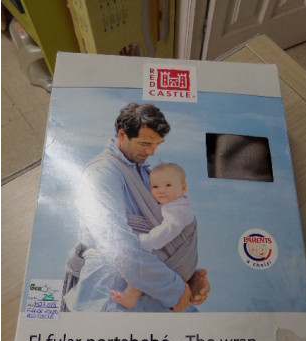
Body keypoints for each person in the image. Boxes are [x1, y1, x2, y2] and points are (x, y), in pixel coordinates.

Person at [63, 103, 210, 312]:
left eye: (157, 144)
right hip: (111, 292)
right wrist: (174, 289)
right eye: (145, 143)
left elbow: (167, 232)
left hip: (155, 290)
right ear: (122, 135)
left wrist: (186, 276)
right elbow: (115, 242)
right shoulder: (102, 173)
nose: (151, 151)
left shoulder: (148, 174)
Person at [111, 163, 195, 309]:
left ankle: (131, 295)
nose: (161, 190)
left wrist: (146, 242)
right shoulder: (173, 204)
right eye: (155, 187)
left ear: (183, 188)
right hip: (177, 265)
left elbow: (168, 230)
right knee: (141, 271)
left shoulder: (179, 210)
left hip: (176, 264)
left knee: (143, 267)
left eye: (168, 185)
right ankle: (131, 295)